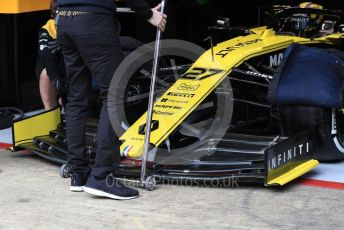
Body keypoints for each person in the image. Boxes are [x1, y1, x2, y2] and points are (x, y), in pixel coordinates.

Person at [56, 0, 167, 200]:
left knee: (76, 97)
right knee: (114, 93)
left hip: (64, 18)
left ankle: (79, 172)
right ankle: (101, 176)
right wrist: (147, 13)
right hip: (93, 22)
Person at [36, 0, 65, 110]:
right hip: (55, 70)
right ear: (52, 16)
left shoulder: (77, 26)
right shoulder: (46, 30)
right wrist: (56, 80)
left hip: (71, 69)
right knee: (45, 74)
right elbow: (47, 58)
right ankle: (51, 111)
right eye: (57, 15)